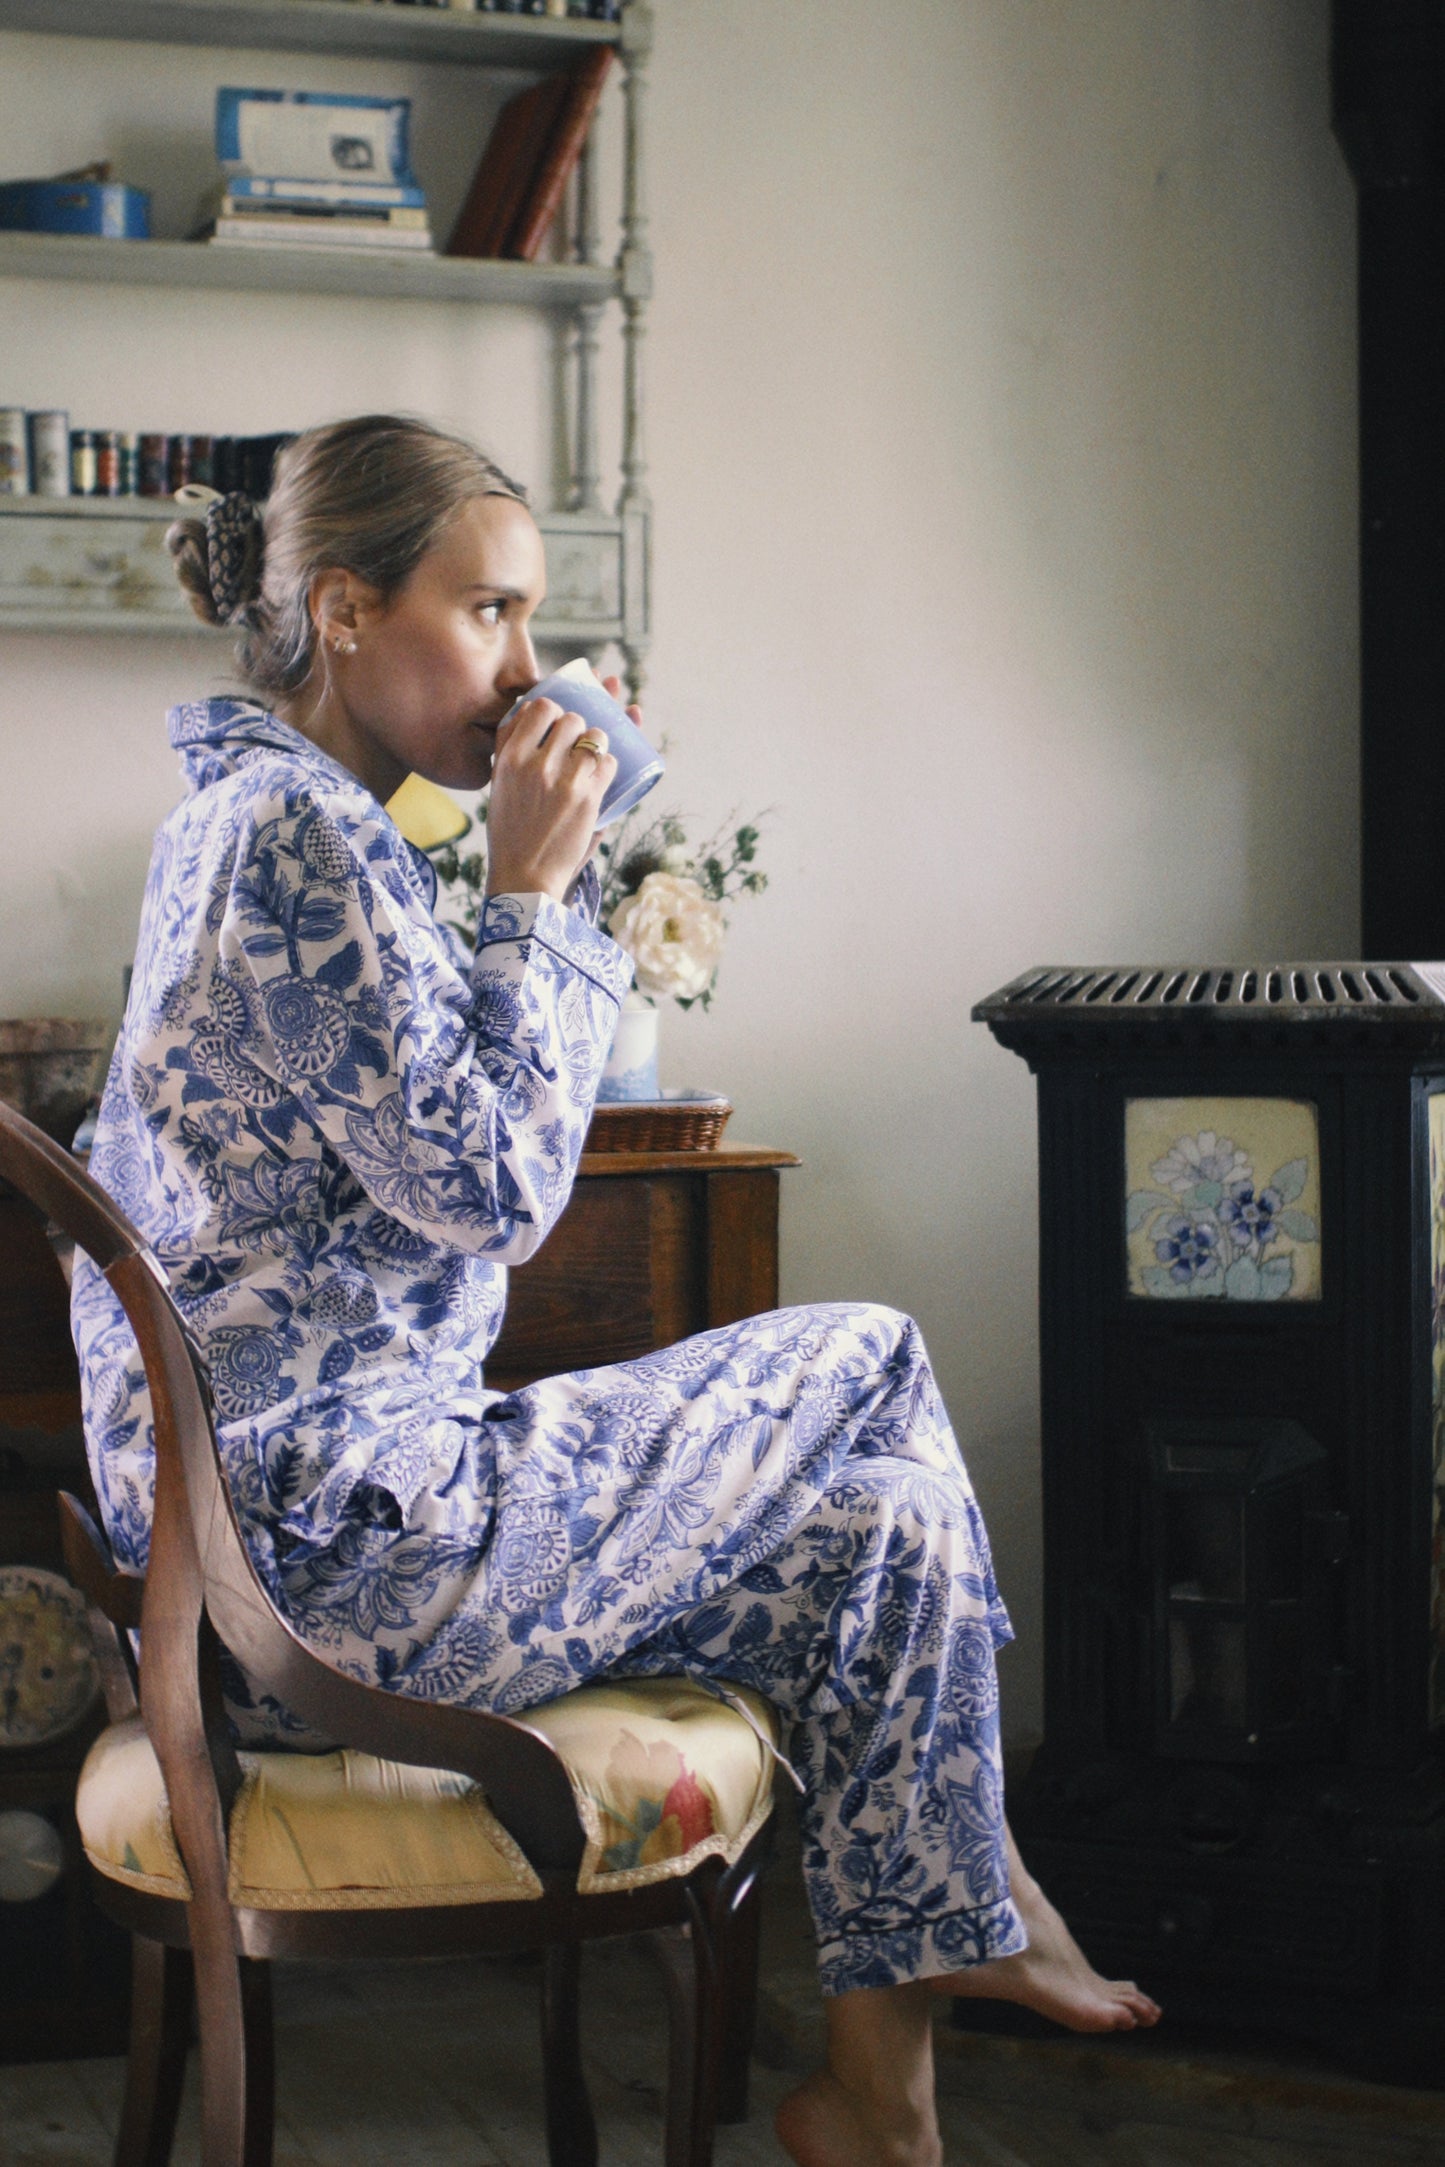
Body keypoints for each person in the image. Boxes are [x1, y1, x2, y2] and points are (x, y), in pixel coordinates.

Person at [72, 413, 1158, 2167]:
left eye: (527, 621)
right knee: (870, 1353)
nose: (521, 666)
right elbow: (492, 1193)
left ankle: (873, 2101)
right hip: (330, 1575)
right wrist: (535, 884)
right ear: (343, 613)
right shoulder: (286, 841)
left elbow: (437, 1153)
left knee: (874, 1537)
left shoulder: (284, 824)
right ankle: (984, 1896)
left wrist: (502, 882)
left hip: (304, 1551)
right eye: (488, 613)